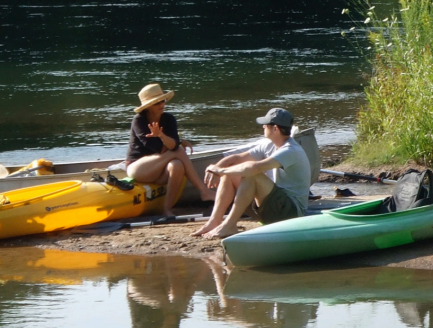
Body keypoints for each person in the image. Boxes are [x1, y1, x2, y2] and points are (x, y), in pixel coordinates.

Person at [191, 108, 310, 239]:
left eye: (266, 124)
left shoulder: (291, 150)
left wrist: (220, 171)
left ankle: (229, 225)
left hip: (290, 214)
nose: (263, 126)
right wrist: (216, 168)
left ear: (275, 128)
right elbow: (235, 158)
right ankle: (214, 221)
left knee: (252, 175)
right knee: (231, 171)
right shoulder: (269, 145)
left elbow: (254, 168)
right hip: (273, 207)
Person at [126, 83, 216, 217]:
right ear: (148, 106)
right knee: (179, 151)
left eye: (163, 101)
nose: (161, 104)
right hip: (138, 169)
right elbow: (159, 148)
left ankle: (166, 209)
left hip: (160, 171)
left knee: (177, 165)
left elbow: (172, 146)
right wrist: (172, 141)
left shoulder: (169, 119)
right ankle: (203, 190)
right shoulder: (139, 120)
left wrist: (162, 135)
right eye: (156, 103)